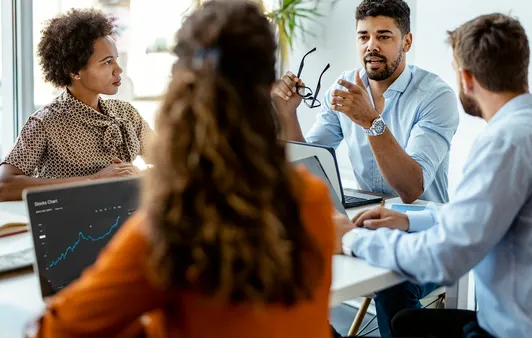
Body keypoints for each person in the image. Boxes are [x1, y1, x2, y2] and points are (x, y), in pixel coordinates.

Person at [29, 1, 334, 338]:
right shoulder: (313, 199)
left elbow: (55, 331)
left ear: (181, 88)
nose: (117, 69)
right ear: (268, 86)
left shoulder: (169, 228)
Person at [338, 13, 532, 338]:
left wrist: (352, 238)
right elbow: (485, 213)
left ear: (466, 77)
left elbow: (443, 259)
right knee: (405, 322)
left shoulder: (507, 141)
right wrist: (409, 220)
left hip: (515, 332)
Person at [272, 0, 458, 336]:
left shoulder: (435, 97)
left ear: (407, 42)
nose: (371, 45)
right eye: (363, 37)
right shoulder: (345, 86)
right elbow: (310, 162)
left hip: (426, 229)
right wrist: (288, 115)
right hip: (366, 220)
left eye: (384, 36)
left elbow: (411, 189)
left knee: (393, 286)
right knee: (290, 263)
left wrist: (371, 122)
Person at [0, 8, 151, 202]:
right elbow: (4, 185)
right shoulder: (46, 122)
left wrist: (141, 176)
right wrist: (91, 181)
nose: (118, 69)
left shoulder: (127, 113)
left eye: (116, 59)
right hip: (70, 226)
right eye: (107, 62)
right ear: (74, 71)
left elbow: (171, 163)